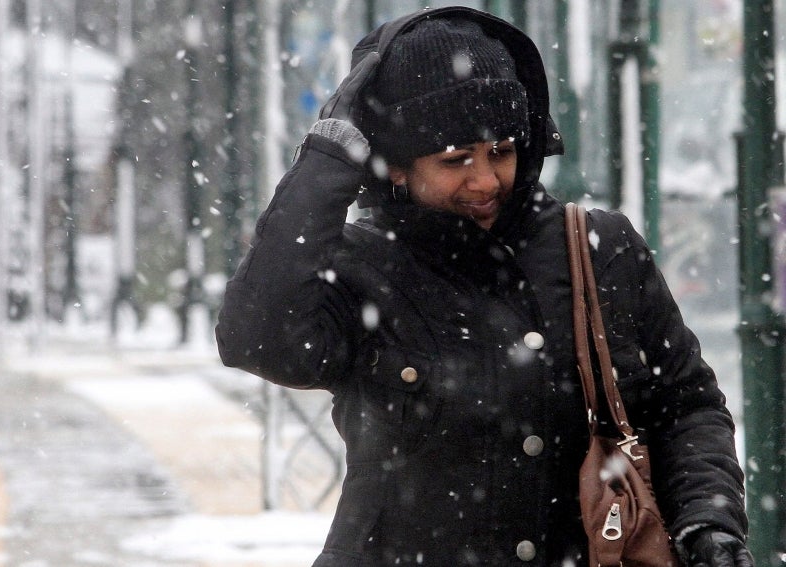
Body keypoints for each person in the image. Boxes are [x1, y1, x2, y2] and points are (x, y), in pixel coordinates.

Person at [216, 6, 751, 566]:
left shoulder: (600, 250)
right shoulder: (360, 268)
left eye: (502, 152)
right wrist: (328, 158)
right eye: (455, 160)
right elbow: (255, 338)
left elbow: (687, 406)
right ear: (396, 167)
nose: (485, 180)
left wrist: (707, 523)